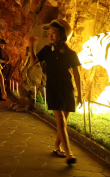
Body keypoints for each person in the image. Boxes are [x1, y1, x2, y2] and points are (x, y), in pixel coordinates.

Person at [28, 19, 82, 165]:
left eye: (53, 33)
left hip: (67, 89)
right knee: (60, 121)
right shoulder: (46, 50)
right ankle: (69, 153)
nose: (50, 36)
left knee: (64, 122)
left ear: (63, 35)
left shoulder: (71, 53)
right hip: (53, 88)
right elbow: (33, 63)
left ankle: (57, 146)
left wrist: (80, 95)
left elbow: (76, 74)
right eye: (49, 33)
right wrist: (31, 44)